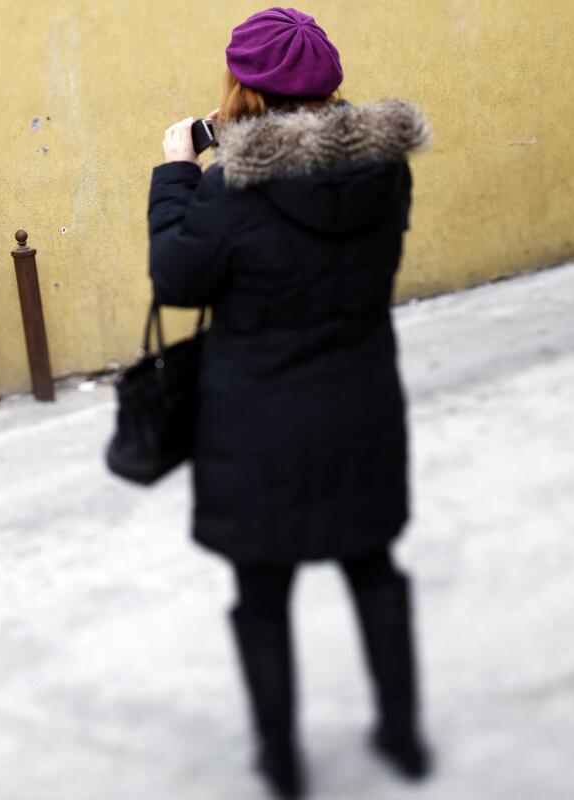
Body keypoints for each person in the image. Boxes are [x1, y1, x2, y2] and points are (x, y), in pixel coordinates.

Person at [147, 8, 433, 798]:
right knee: (374, 569)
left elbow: (176, 279)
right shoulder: (386, 168)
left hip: (257, 424)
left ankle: (280, 758)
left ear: (244, 87)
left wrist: (177, 169)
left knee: (262, 596)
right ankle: (403, 737)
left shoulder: (229, 187)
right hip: (361, 408)